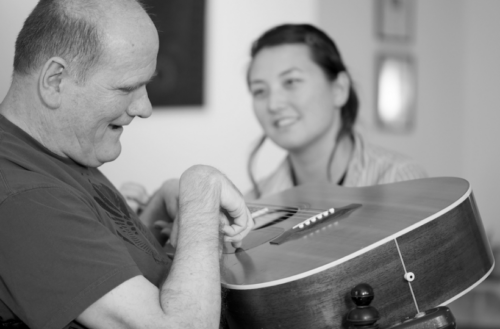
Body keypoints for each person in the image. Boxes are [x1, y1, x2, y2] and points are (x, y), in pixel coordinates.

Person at [0, 1, 253, 328]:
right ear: (54, 80)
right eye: (127, 88)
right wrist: (201, 190)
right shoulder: (24, 198)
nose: (144, 108)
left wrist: (158, 209)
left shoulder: (57, 152)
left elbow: (93, 272)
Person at [245, 24, 427, 200]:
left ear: (339, 89)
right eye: (260, 91)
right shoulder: (252, 206)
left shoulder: (400, 179)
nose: (273, 104)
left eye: (291, 82)